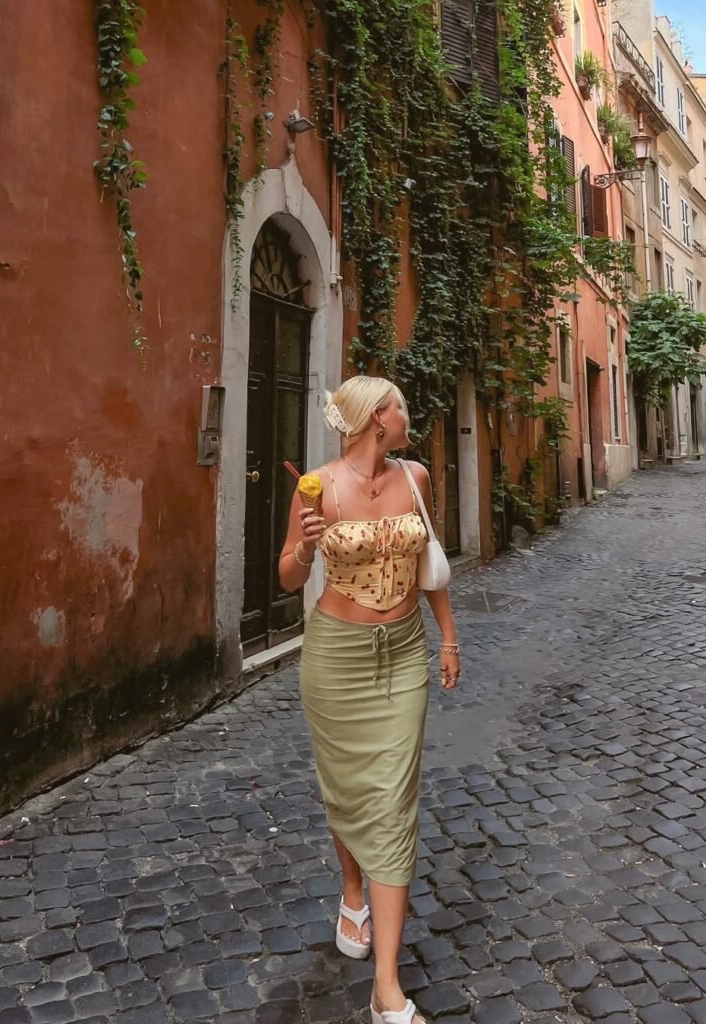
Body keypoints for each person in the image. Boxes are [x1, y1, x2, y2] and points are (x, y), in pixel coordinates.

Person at [279, 376, 460, 1024]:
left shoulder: (416, 478)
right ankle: (350, 889)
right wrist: (303, 546)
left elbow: (428, 564)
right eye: (401, 408)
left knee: (391, 799)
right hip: (336, 657)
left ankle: (386, 986)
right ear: (373, 419)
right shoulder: (318, 485)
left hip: (404, 653)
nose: (409, 416)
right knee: (348, 788)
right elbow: (288, 574)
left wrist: (447, 639)